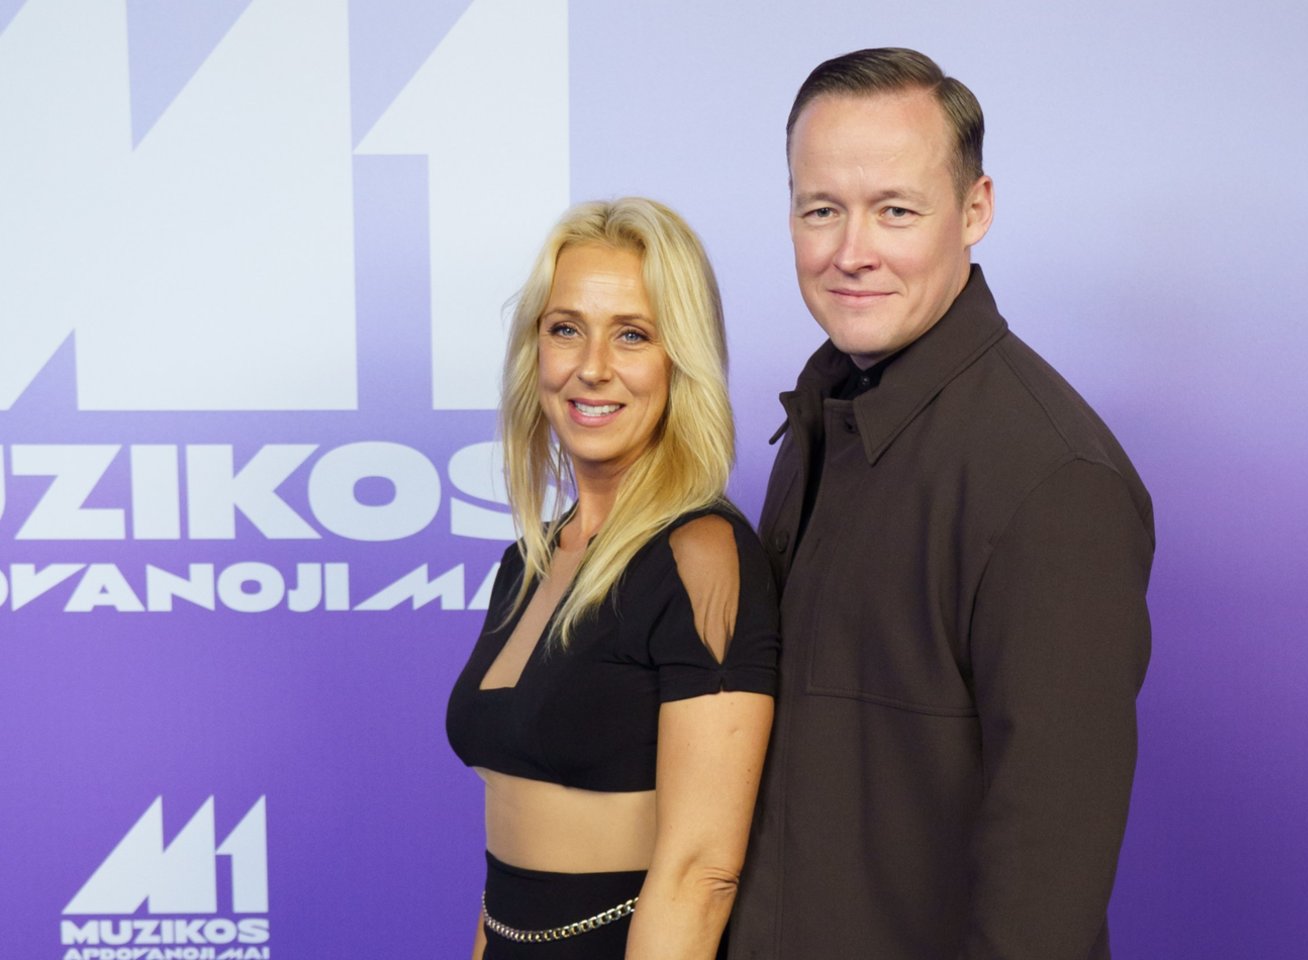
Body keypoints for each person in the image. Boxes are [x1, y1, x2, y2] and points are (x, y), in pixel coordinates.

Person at [727, 49, 1155, 959]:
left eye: (896, 210)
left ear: (975, 210)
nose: (852, 252)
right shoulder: (822, 418)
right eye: (821, 210)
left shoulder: (1054, 482)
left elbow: (1046, 888)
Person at [447, 198, 779, 959]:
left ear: (680, 359)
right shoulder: (529, 561)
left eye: (632, 334)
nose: (592, 367)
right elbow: (506, 877)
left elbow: (702, 874)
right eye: (566, 328)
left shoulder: (701, 553)